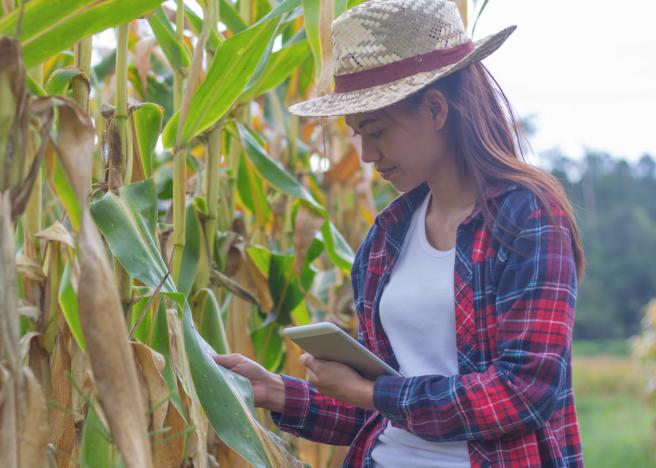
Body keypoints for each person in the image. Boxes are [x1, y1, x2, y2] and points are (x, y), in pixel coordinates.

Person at [212, 0, 586, 466]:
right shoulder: (387, 237)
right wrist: (277, 392)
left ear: (434, 109)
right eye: (357, 134)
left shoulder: (527, 217)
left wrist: (376, 393)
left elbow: (526, 392)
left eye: (377, 131)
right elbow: (378, 410)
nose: (366, 154)